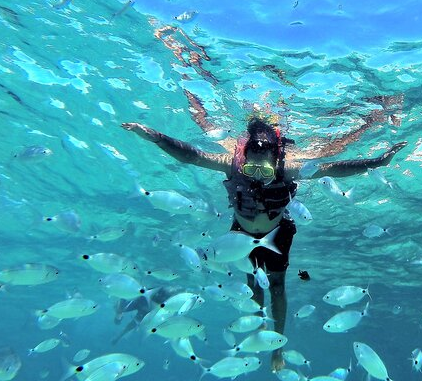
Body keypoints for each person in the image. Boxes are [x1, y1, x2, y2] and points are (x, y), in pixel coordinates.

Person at [122, 116, 407, 371]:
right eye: (251, 167)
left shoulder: (288, 169)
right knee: (254, 285)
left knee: (278, 287)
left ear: (276, 158)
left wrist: (376, 162)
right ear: (243, 156)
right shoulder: (230, 165)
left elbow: (332, 168)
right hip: (242, 235)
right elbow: (190, 156)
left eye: (264, 169)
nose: (257, 174)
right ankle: (259, 329)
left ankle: (277, 345)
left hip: (278, 230)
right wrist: (154, 136)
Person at [111, 286, 182, 345]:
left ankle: (121, 310)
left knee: (133, 319)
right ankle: (121, 311)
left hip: (146, 302)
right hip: (145, 301)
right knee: (133, 318)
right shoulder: (150, 301)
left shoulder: (167, 303)